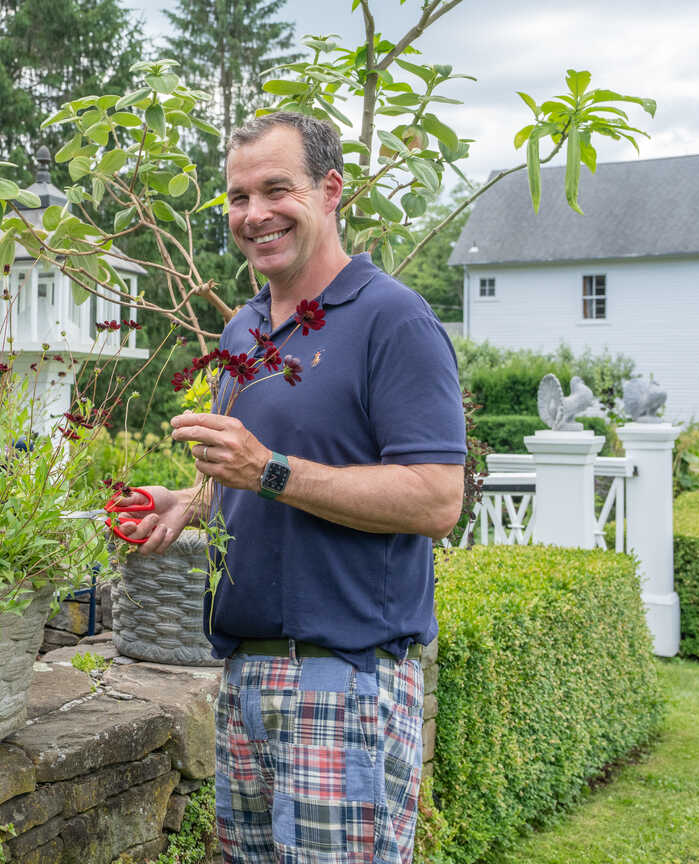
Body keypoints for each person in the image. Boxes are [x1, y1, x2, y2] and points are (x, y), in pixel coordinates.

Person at [121, 112, 465, 863]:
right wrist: (189, 502)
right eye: (238, 197)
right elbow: (255, 475)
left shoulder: (394, 321)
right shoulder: (244, 331)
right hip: (247, 675)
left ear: (330, 191)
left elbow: (438, 498)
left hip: (343, 683)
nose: (254, 214)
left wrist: (268, 470)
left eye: (277, 189)